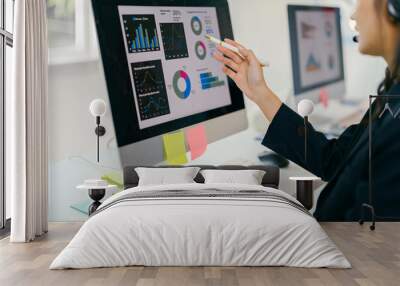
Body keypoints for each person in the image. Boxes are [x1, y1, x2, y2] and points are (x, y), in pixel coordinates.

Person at [213, 0, 400, 221]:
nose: (354, 15)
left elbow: (370, 246)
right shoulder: (392, 96)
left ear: (393, 7)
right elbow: (335, 158)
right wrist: (259, 92)